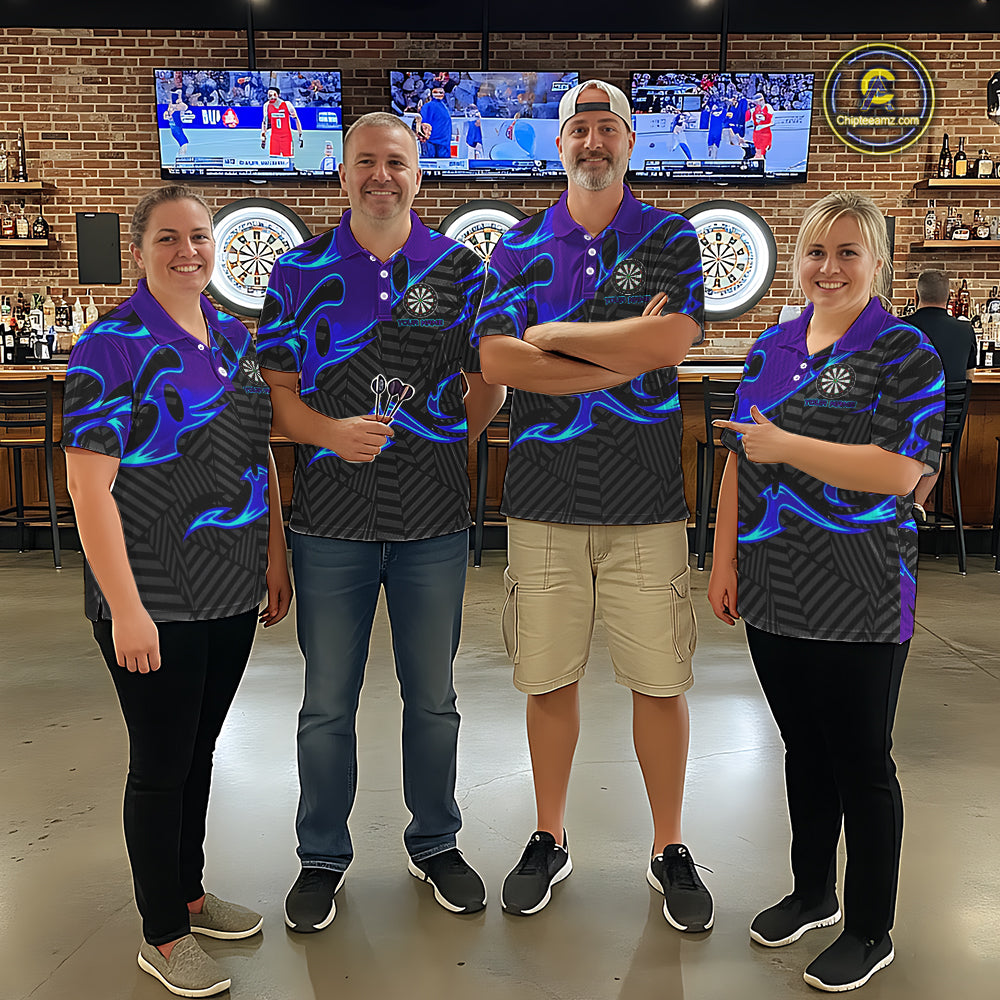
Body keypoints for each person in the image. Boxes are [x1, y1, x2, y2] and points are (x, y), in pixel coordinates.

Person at [257, 111, 505, 932]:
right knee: (327, 702)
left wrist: (440, 445)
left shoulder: (461, 271)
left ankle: (436, 841)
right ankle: (321, 855)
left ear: (417, 175)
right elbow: (277, 398)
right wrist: (330, 434)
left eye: (395, 162)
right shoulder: (297, 272)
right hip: (329, 524)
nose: (380, 176)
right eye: (365, 161)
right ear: (342, 174)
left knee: (432, 698)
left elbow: (488, 385)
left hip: (433, 522)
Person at [475, 80, 713, 930]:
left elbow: (671, 340)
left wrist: (552, 335)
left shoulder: (671, 236)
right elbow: (497, 361)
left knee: (660, 680)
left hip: (647, 501)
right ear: (561, 144)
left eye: (608, 126)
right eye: (580, 127)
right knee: (548, 679)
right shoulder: (517, 246)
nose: (593, 141)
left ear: (629, 143)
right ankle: (550, 834)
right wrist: (620, 357)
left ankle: (669, 845)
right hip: (544, 500)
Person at [708, 192, 944, 993]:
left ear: (879, 262)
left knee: (861, 762)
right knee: (803, 750)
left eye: (848, 252)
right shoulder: (769, 350)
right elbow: (740, 459)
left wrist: (788, 444)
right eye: (817, 251)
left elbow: (901, 472)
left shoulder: (905, 352)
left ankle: (869, 927)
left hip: (862, 590)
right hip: (773, 584)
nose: (830, 268)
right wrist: (723, 560)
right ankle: (812, 892)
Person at [62, 185, 292, 997]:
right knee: (160, 764)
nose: (187, 251)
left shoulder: (233, 336)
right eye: (168, 238)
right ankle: (162, 933)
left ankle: (189, 893)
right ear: (139, 251)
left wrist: (273, 555)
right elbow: (89, 489)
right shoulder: (111, 346)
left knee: (200, 752)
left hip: (229, 588)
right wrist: (125, 607)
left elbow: (256, 452)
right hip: (153, 595)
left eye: (198, 237)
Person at [904, 269, 976, 519]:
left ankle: (899, 505)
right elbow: (969, 377)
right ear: (949, 298)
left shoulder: (900, 327)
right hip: (945, 427)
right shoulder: (965, 330)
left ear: (916, 296)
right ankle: (917, 504)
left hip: (904, 426)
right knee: (935, 436)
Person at [261, 86, 303, 159]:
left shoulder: (287, 104)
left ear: (278, 95)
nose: (272, 97)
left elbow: (296, 119)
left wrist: (300, 134)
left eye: (274, 95)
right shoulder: (266, 105)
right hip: (274, 137)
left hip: (286, 136)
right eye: (270, 95)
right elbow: (265, 121)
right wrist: (263, 136)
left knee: (288, 158)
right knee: (274, 158)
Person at [416, 85, 452, 158]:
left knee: (428, 162)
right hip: (444, 141)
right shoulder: (444, 107)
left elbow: (423, 123)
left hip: (431, 141)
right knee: (444, 163)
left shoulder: (427, 106)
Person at [746, 92, 774, 164]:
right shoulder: (754, 110)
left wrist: (762, 126)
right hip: (756, 133)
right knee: (757, 149)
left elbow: (772, 121)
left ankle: (762, 163)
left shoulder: (768, 107)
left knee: (763, 150)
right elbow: (749, 120)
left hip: (765, 132)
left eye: (757, 102)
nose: (756, 104)